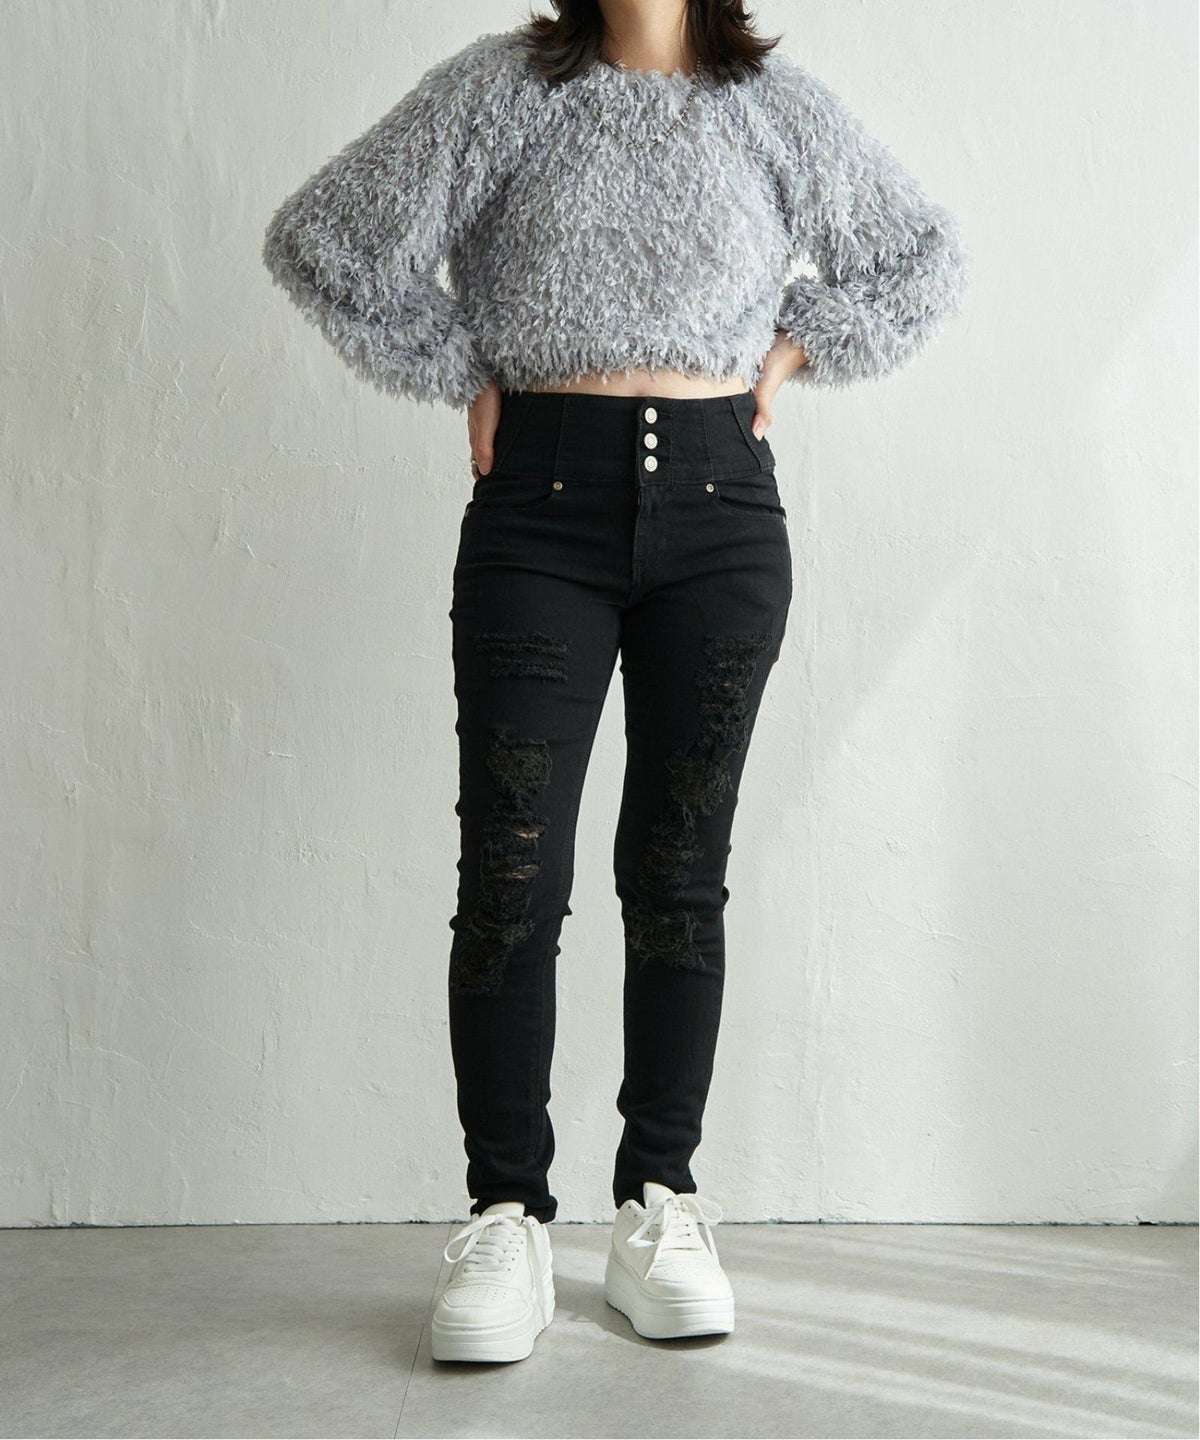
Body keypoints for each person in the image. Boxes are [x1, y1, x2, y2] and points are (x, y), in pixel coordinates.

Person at [261, 0, 968, 1363]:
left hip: (721, 516)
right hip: (540, 510)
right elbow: (324, 239)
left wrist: (795, 343)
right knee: (511, 872)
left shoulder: (775, 111)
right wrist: (458, 366)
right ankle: (507, 1215)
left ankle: (659, 1202)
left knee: (679, 872)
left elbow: (923, 259)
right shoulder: (501, 91)